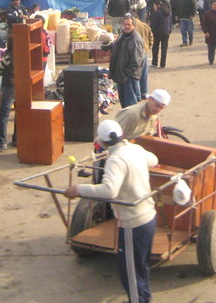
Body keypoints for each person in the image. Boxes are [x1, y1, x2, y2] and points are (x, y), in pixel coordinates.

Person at [64, 120, 158, 303]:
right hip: (149, 216)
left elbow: (109, 191)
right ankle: (143, 298)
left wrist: (78, 190)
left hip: (133, 222)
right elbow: (154, 160)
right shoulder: (135, 149)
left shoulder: (115, 160)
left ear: (101, 142)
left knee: (130, 271)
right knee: (140, 265)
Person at [109, 16, 146, 108]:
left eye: (129, 25)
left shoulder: (135, 40)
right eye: (125, 24)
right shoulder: (123, 35)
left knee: (130, 105)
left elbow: (137, 61)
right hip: (122, 76)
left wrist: (126, 73)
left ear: (134, 25)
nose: (126, 26)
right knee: (124, 104)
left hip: (129, 78)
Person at [131, 15, 153, 100]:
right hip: (144, 51)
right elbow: (151, 37)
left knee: (135, 74)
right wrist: (148, 46)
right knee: (144, 73)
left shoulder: (131, 27)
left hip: (134, 52)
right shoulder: (145, 25)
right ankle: (144, 92)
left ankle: (137, 94)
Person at [148, 1, 171, 69]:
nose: (154, 7)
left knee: (155, 48)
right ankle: (163, 64)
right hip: (166, 32)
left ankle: (154, 62)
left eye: (154, 6)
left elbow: (154, 23)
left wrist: (151, 31)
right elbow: (170, 22)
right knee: (164, 48)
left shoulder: (157, 13)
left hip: (157, 32)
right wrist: (169, 30)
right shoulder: (167, 12)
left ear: (158, 6)